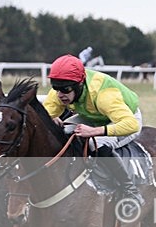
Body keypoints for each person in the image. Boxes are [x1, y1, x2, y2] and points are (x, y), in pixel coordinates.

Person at [43, 54, 144, 215]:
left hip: (125, 120)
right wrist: (51, 119)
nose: (60, 94)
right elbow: (43, 116)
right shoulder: (60, 92)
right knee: (64, 133)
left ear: (79, 84)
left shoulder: (104, 95)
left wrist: (94, 132)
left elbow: (131, 125)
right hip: (94, 116)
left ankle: (131, 190)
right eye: (56, 88)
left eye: (66, 89)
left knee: (95, 143)